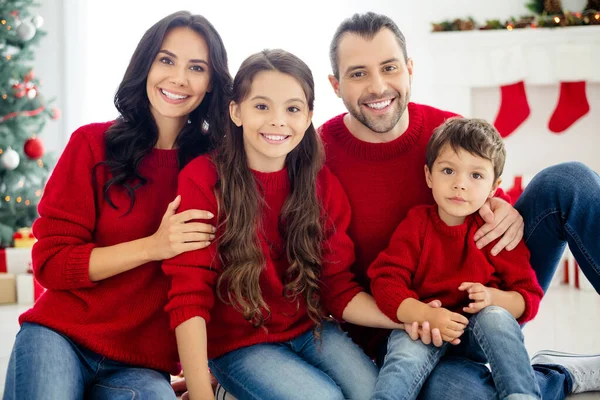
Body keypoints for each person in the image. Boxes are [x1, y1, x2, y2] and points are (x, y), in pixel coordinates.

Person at [320, 11, 600, 399]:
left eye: (389, 67)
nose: (378, 86)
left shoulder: (447, 130)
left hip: (487, 304)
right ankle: (560, 375)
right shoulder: (318, 157)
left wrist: (507, 211)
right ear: (335, 84)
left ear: (409, 69)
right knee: (454, 392)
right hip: (402, 324)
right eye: (358, 73)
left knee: (570, 181)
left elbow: (482, 195)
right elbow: (335, 288)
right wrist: (411, 316)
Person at [2, 11, 232, 400]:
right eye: (166, 59)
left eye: (196, 67)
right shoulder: (91, 145)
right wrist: (153, 247)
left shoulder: (216, 167)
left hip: (142, 363)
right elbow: (51, 262)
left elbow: (220, 276)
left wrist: (206, 369)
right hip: (60, 336)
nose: (178, 77)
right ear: (146, 65)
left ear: (211, 83)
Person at [162, 49, 411, 400]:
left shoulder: (320, 183)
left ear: (309, 116)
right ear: (236, 111)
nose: (278, 121)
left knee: (377, 394)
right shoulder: (204, 180)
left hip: (309, 329)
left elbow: (337, 288)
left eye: (292, 108)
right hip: (237, 346)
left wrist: (407, 318)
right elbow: (189, 298)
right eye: (262, 106)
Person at [369, 117, 545, 400]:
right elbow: (386, 281)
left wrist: (492, 298)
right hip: (425, 327)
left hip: (475, 336)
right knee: (405, 351)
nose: (459, 185)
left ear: (493, 187)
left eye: (475, 176)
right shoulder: (417, 224)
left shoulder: (494, 230)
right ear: (429, 176)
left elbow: (528, 297)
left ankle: (522, 395)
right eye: (448, 170)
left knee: (496, 318)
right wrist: (423, 315)